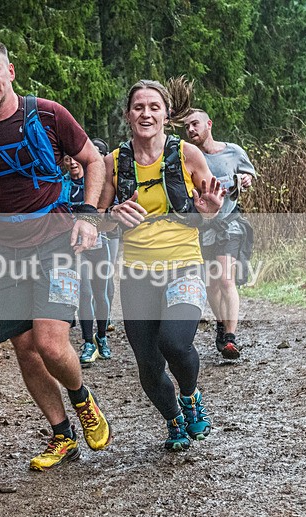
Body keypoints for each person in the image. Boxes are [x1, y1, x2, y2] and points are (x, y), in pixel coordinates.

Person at [0, 38, 112, 471]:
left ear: (10, 71)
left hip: (57, 239)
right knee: (25, 349)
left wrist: (88, 217)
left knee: (51, 344)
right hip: (3, 250)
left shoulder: (50, 114)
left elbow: (94, 161)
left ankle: (82, 399)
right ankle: (62, 436)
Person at [97, 79, 225, 451]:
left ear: (167, 115)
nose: (146, 114)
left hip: (183, 264)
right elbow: (95, 222)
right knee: (148, 365)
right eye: (139, 107)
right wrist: (112, 215)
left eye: (154, 107)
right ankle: (173, 420)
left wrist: (210, 212)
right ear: (127, 115)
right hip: (137, 273)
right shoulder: (114, 162)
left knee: (174, 342)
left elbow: (208, 212)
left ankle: (190, 397)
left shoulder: (188, 155)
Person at [183, 108, 256, 359]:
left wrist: (246, 179)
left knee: (226, 280)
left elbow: (248, 173)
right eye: (187, 127)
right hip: (204, 228)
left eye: (195, 124)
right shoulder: (189, 158)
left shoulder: (233, 151)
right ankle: (222, 324)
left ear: (208, 125)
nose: (191, 130)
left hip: (230, 225)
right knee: (211, 286)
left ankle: (230, 338)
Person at [62, 154, 112, 367]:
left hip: (99, 243)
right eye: (67, 159)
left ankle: (102, 336)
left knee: (100, 293)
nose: (72, 162)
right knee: (84, 293)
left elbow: (105, 208)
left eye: (75, 158)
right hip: (75, 246)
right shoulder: (62, 184)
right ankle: (87, 342)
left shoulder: (94, 182)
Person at [90, 138, 120, 334]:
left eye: (99, 152)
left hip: (111, 232)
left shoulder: (110, 171)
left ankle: (106, 316)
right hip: (92, 230)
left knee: (106, 273)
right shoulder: (88, 174)